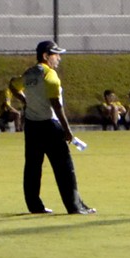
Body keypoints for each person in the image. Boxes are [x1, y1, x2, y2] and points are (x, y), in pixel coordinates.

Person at [9, 40, 96, 214]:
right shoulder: (50, 75)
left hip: (32, 126)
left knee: (33, 167)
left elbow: (12, 84)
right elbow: (57, 105)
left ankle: (34, 205)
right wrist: (67, 130)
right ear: (46, 56)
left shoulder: (30, 73)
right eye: (56, 55)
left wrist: (25, 100)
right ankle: (74, 206)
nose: (59, 58)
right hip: (49, 125)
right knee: (64, 167)